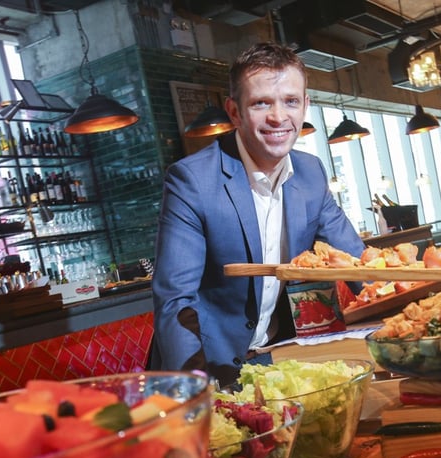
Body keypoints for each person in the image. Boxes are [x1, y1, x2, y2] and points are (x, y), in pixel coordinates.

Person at [150, 42, 366, 385]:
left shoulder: (311, 173)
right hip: (206, 367)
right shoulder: (191, 180)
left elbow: (358, 263)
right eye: (261, 103)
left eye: (291, 101)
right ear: (234, 112)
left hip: (277, 357)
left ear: (306, 105)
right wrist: (195, 390)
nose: (279, 117)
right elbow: (176, 301)